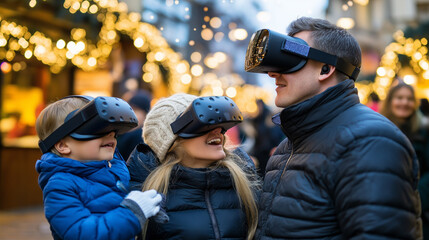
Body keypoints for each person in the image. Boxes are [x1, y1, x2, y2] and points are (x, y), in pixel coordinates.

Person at [245, 17, 422, 239]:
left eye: (290, 60)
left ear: (325, 69)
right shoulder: (286, 147)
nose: (273, 73)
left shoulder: (370, 141)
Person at [126, 93, 260, 239]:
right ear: (170, 141)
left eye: (219, 125)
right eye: (202, 125)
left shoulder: (244, 183)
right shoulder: (148, 194)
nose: (217, 131)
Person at [35, 96, 164, 240]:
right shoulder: (60, 185)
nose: (110, 134)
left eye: (113, 131)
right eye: (97, 129)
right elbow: (84, 235)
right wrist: (132, 212)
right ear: (63, 146)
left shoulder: (115, 170)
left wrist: (148, 208)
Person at [379, 82, 429, 239]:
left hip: (416, 209)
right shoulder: (377, 129)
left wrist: (416, 197)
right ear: (390, 101)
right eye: (399, 98)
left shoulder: (424, 132)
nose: (404, 103)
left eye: (409, 99)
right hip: (382, 206)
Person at [117, 90, 152, 160]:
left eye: (135, 109)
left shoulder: (140, 137)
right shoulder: (121, 132)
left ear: (145, 114)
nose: (130, 113)